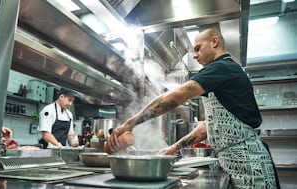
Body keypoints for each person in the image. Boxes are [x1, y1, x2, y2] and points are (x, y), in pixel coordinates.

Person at [106, 28, 280, 188]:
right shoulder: (222, 73)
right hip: (236, 161)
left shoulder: (223, 67)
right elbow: (208, 126)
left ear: (214, 42)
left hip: (249, 164)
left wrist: (130, 124)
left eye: (197, 48)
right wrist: (173, 148)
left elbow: (177, 96)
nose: (195, 55)